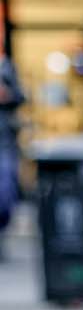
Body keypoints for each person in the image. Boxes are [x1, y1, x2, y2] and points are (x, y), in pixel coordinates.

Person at [0, 43, 21, 264]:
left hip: (4, 141)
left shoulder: (7, 68)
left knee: (5, 192)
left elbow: (21, 96)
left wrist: (8, 95)